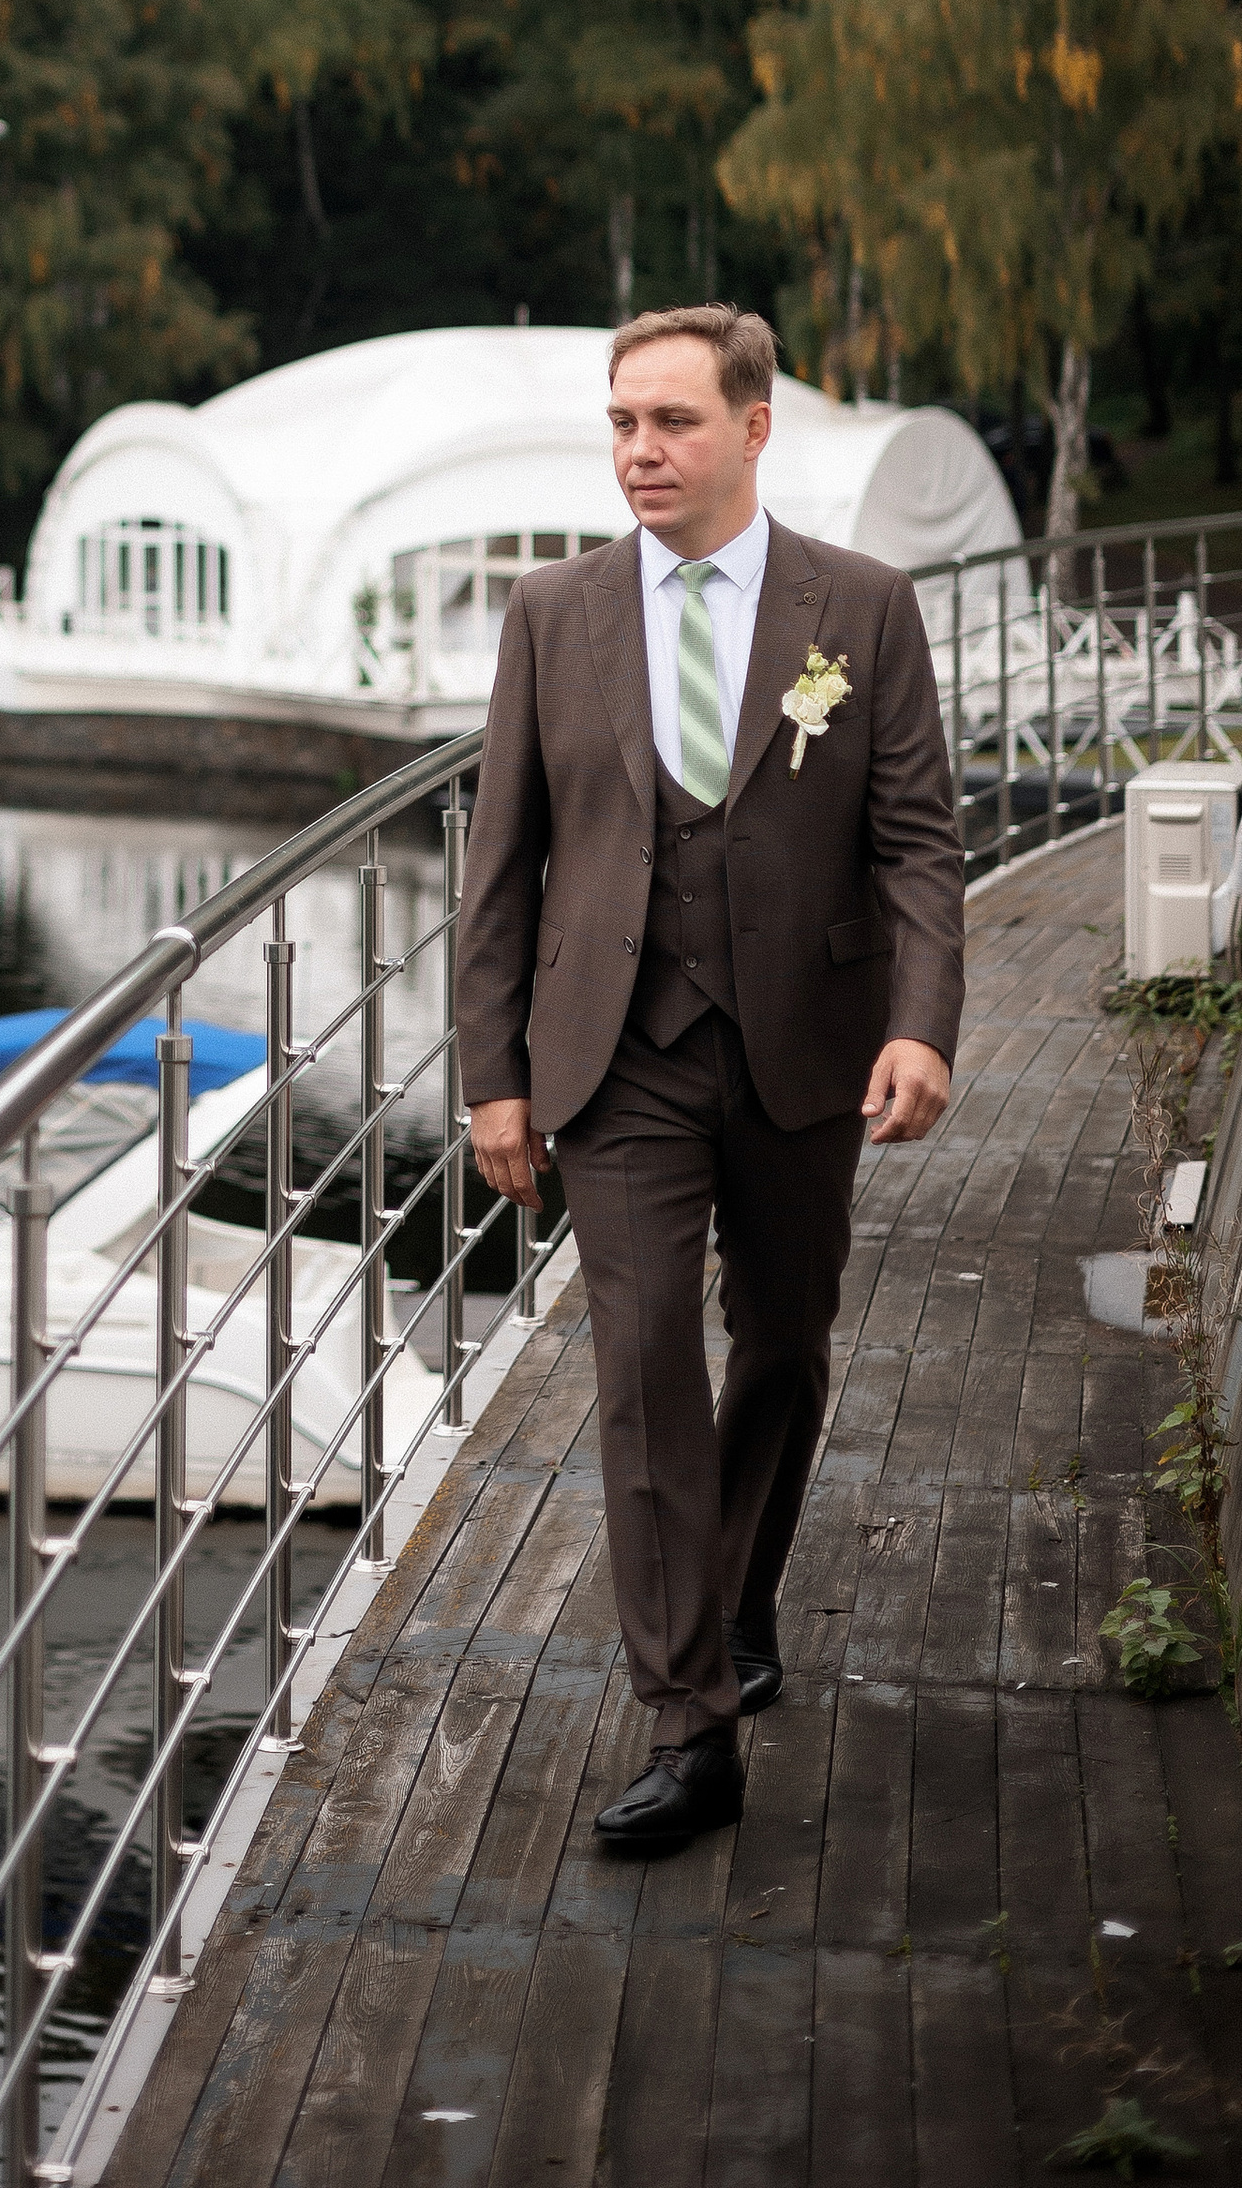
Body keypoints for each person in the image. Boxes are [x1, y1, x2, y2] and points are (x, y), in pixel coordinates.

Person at [455, 303, 963, 1854]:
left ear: (753, 428)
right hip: (615, 1058)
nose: (640, 451)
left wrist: (923, 1021)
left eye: (670, 421)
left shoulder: (860, 609)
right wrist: (493, 1077)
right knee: (645, 1362)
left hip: (807, 1043)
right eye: (620, 423)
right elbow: (504, 862)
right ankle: (691, 1722)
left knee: (789, 1347)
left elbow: (920, 844)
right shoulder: (554, 615)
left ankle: (739, 1596)